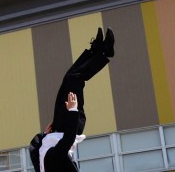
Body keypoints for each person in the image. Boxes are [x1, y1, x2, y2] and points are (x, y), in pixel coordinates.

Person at [29, 28, 115, 172]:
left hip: (57, 127)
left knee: (69, 78)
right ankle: (104, 52)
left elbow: (35, 148)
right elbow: (68, 140)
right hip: (71, 123)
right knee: (75, 79)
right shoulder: (54, 161)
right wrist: (73, 109)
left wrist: (45, 134)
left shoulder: (43, 166)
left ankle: (96, 50)